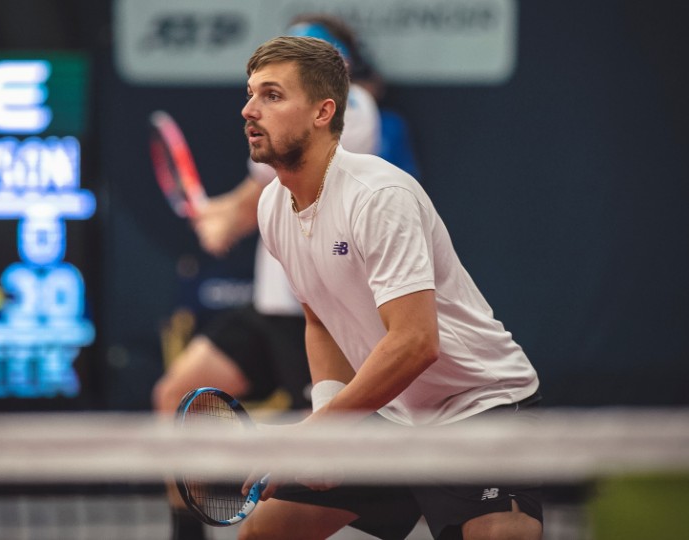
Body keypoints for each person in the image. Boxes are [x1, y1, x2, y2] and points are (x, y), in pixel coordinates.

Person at [237, 36, 544, 540]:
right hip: (394, 411)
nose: (249, 110)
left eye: (271, 95)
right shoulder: (273, 208)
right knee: (264, 534)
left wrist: (322, 430)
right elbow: (321, 319)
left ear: (323, 111)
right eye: (250, 94)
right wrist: (328, 427)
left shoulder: (378, 196)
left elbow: (416, 341)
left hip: (480, 407)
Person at [151, 15, 387, 540]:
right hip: (269, 308)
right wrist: (219, 215)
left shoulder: (359, 110)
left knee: (327, 472)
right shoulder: (276, 121)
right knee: (177, 395)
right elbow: (255, 190)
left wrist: (227, 217)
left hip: (326, 319)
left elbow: (272, 187)